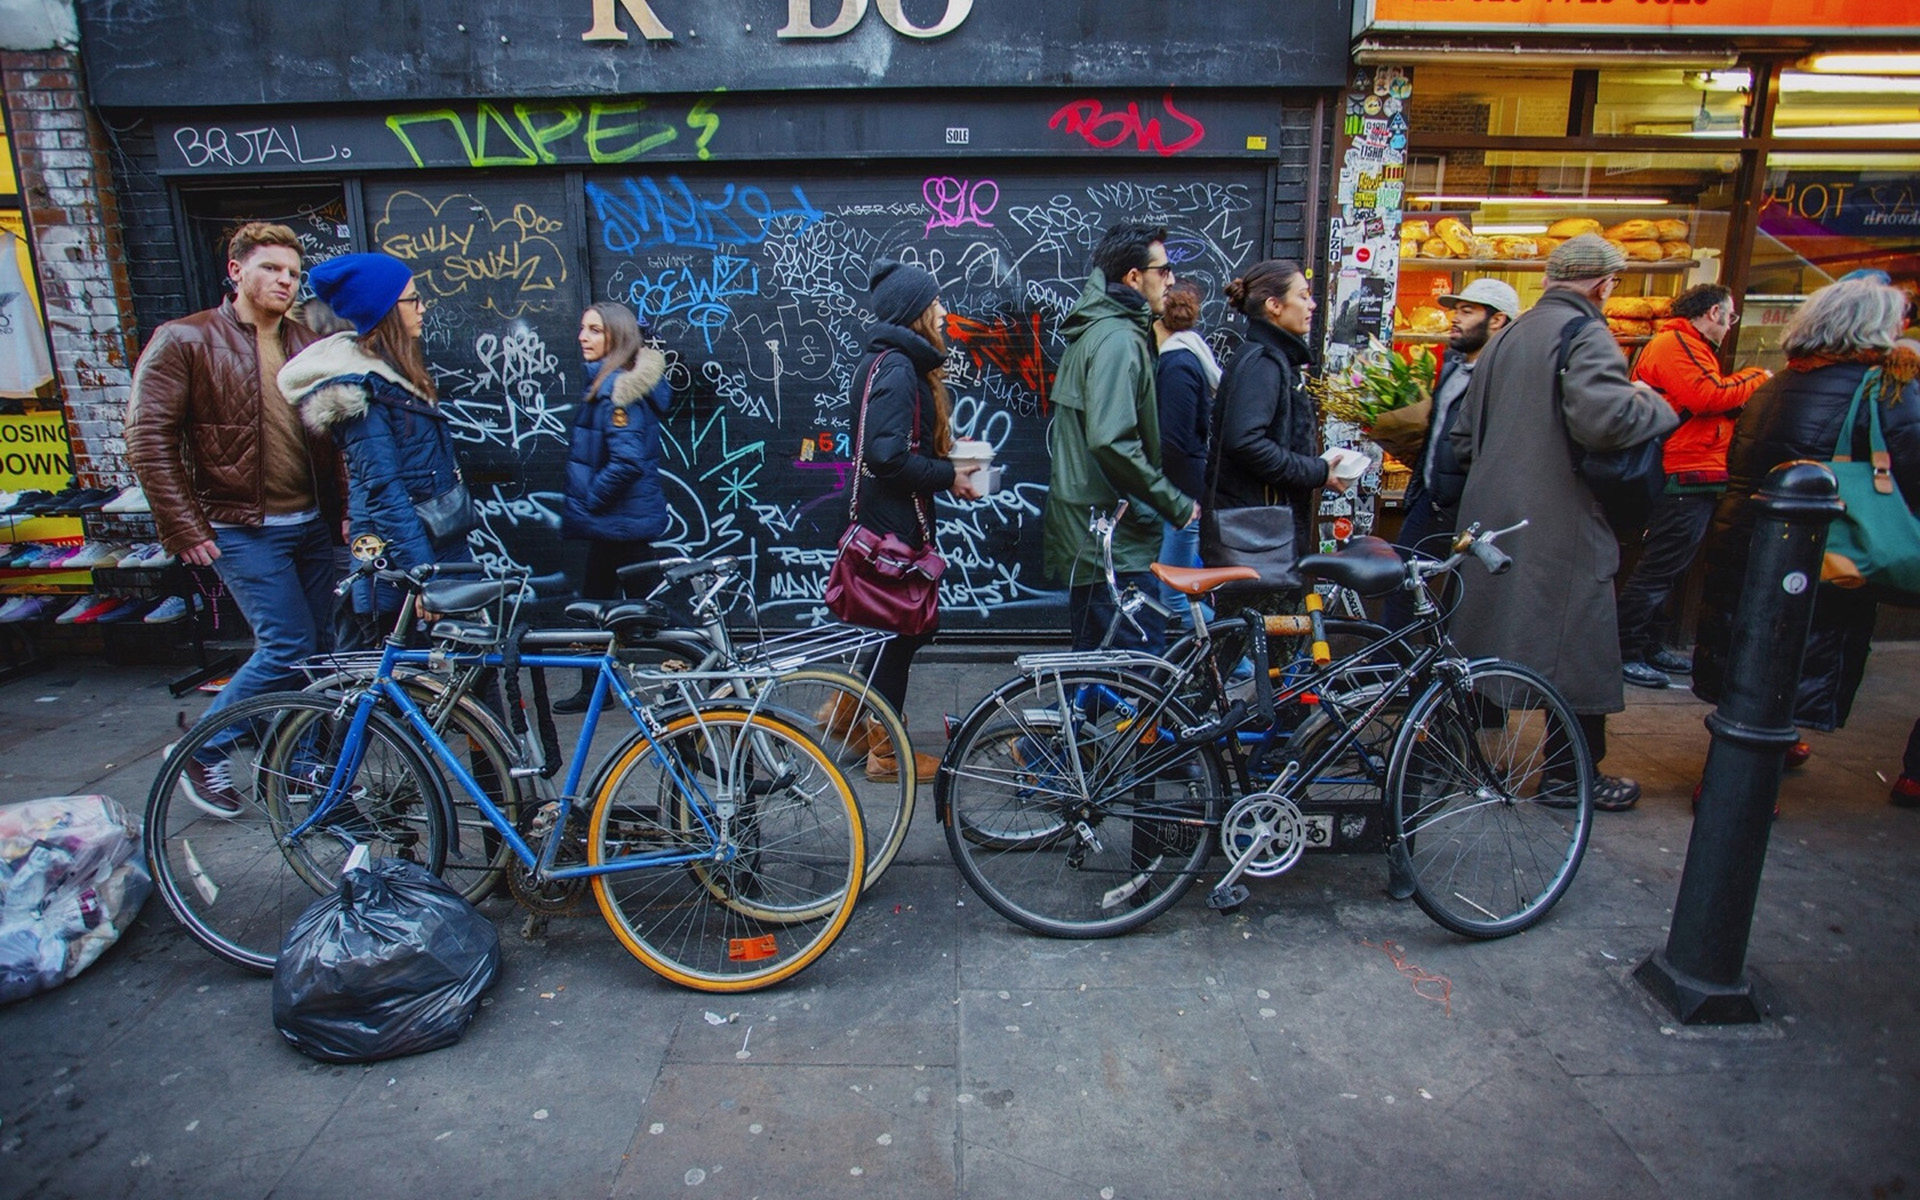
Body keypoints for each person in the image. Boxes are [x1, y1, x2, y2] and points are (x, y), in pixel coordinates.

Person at [1446, 234, 1679, 812]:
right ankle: (1568, 776)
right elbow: (1605, 421)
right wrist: (1656, 401)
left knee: (1483, 638)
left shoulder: (1507, 337)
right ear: (1605, 285)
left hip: (1491, 518)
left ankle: (1443, 758)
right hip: (1559, 519)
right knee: (1580, 644)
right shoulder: (1586, 333)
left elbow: (1460, 437)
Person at [124, 221, 346, 816]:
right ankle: (203, 748)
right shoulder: (186, 339)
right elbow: (149, 438)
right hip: (241, 526)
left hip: (308, 523)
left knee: (318, 652)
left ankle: (297, 762)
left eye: (293, 273)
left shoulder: (306, 341)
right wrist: (183, 525)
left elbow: (336, 435)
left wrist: (346, 513)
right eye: (271, 268)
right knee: (287, 644)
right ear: (236, 270)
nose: (284, 280)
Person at [1691, 278, 1920, 771]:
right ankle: (1738, 787)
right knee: (1791, 658)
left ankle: (1751, 761)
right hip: (1818, 552)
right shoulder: (1880, 389)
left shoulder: (1776, 384)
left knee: (1755, 658)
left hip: (1745, 539)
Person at [838, 259, 984, 782]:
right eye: (936, 302)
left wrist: (946, 462)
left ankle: (851, 718)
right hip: (892, 527)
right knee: (901, 632)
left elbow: (893, 447)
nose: (944, 311)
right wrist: (950, 475)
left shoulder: (891, 362)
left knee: (895, 633)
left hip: (890, 521)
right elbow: (887, 457)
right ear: (915, 312)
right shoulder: (898, 368)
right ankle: (883, 752)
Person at [280, 253, 473, 631]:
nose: (422, 307)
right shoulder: (361, 392)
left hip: (436, 545)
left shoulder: (394, 378)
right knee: (419, 681)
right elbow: (385, 491)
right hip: (402, 564)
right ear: (384, 309)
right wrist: (423, 577)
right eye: (412, 299)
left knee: (468, 670)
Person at [1043, 223, 1197, 651]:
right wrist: (1176, 504)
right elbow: (1112, 440)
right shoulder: (1117, 340)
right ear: (1134, 277)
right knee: (1141, 670)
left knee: (1097, 665)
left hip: (1097, 529)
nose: (1171, 280)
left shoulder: (1105, 331)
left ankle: (1060, 720)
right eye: (1163, 270)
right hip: (1112, 537)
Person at [1616, 284, 1770, 690]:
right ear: (1715, 313)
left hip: (1695, 470)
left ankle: (1649, 642)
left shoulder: (1690, 345)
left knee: (1670, 567)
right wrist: (1759, 377)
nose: (1730, 326)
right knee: (1659, 568)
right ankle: (1625, 649)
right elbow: (1706, 396)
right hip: (1680, 470)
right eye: (1731, 317)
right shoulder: (1676, 343)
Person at [1206, 259, 1351, 605]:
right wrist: (1317, 471)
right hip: (1259, 535)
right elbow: (1245, 442)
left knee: (1254, 642)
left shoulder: (1269, 359)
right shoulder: (1264, 363)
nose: (1312, 304)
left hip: (1260, 530)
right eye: (1302, 296)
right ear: (1274, 306)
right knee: (1261, 640)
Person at [552, 303, 674, 713]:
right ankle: (597, 689)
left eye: (594, 330)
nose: (582, 337)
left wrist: (592, 499)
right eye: (582, 328)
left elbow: (626, 461)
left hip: (620, 523)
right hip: (616, 525)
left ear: (617, 339)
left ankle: (693, 675)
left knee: (644, 612)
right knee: (603, 606)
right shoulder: (611, 384)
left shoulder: (618, 393)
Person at [1382, 278, 1520, 630]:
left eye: (1467, 311)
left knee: (1457, 600)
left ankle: (1432, 674)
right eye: (1456, 310)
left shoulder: (1503, 375)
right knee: (1403, 587)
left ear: (1497, 320)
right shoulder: (1454, 366)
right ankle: (1389, 670)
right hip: (1430, 500)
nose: (1455, 319)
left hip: (1467, 508)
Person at [1154, 280, 1220, 631]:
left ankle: (1242, 664)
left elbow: (1173, 443)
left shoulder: (1177, 364)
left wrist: (1165, 499)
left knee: (1174, 596)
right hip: (1184, 492)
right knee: (1183, 589)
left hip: (1180, 497)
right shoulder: (1192, 355)